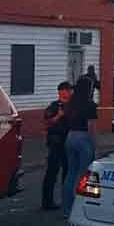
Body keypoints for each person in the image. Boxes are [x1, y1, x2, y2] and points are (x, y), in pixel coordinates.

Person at [62, 76, 98, 217]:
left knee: (71, 172)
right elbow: (91, 127)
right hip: (83, 138)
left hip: (70, 136)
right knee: (84, 174)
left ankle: (67, 208)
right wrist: (95, 144)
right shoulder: (90, 105)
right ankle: (80, 207)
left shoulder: (71, 103)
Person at [41, 82, 73, 210]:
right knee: (52, 172)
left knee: (68, 172)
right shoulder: (54, 106)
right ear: (62, 91)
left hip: (68, 143)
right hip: (56, 143)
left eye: (70, 90)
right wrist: (58, 116)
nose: (70, 93)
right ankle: (47, 202)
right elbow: (46, 123)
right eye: (68, 90)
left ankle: (66, 200)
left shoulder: (72, 106)